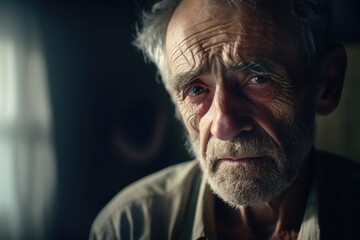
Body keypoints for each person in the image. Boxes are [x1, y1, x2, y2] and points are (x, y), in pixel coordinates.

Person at [90, 0, 360, 239]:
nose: (224, 125)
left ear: (327, 84)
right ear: (175, 100)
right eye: (196, 89)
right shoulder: (129, 227)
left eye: (257, 79)